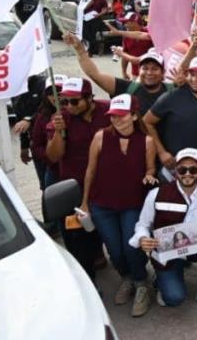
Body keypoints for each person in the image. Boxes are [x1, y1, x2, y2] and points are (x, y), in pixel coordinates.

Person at [79, 94, 156, 317]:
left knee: (131, 247)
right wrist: (85, 203)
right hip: (102, 205)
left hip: (132, 204)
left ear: (133, 115)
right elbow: (90, 171)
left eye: (121, 116)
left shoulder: (147, 141)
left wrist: (149, 176)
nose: (117, 120)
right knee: (114, 249)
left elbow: (150, 168)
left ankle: (142, 283)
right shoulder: (100, 137)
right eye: (113, 116)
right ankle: (128, 278)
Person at [130, 148, 197, 309]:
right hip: (168, 255)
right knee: (173, 299)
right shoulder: (157, 194)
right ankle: (161, 280)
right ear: (175, 171)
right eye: (182, 169)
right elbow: (142, 225)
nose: (187, 174)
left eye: (193, 169)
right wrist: (143, 238)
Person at [45, 77, 111, 281]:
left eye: (74, 101)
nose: (68, 106)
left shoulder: (108, 110)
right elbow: (53, 156)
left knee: (108, 233)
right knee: (79, 240)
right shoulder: (60, 119)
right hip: (76, 187)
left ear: (90, 98)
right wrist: (58, 132)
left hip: (107, 184)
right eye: (64, 101)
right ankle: (88, 280)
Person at [143, 56, 197, 176]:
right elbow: (147, 122)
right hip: (173, 169)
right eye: (191, 74)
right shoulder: (172, 97)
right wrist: (161, 152)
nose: (194, 79)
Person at [66, 34, 172, 114]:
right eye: (145, 68)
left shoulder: (174, 90)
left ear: (163, 72)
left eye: (154, 69)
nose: (149, 72)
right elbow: (94, 74)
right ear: (139, 71)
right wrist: (80, 50)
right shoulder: (129, 88)